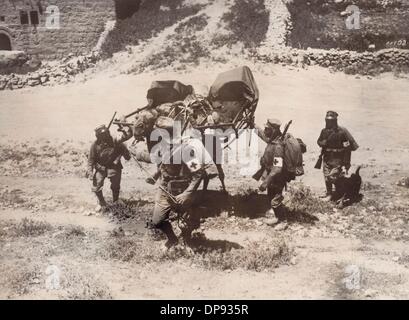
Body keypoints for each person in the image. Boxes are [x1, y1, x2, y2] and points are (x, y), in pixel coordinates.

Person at [149, 117, 213, 249]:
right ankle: (172, 240)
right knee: (157, 221)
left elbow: (198, 173)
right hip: (165, 189)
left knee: (187, 221)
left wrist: (187, 194)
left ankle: (187, 241)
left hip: (182, 189)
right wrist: (155, 176)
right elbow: (163, 165)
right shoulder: (163, 147)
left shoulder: (185, 150)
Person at [254, 119, 301, 225]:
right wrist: (253, 125)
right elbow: (262, 135)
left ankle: (283, 221)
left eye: (267, 129)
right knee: (271, 197)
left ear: (273, 130)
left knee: (275, 200)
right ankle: (277, 218)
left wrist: (265, 183)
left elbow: (277, 168)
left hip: (277, 177)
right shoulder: (273, 140)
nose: (265, 131)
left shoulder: (278, 146)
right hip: (272, 175)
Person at [86, 124, 132, 212]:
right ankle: (102, 203)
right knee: (97, 185)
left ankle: (116, 200)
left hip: (113, 166)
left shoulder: (114, 140)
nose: (105, 137)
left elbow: (124, 141)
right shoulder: (94, 145)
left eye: (106, 134)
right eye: (102, 136)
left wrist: (124, 130)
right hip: (101, 167)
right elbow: (91, 160)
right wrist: (90, 172)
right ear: (98, 136)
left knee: (115, 184)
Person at [317, 111, 359, 201]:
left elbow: (347, 148)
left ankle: (339, 192)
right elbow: (319, 141)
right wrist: (322, 143)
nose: (328, 122)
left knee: (333, 177)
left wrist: (346, 162)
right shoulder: (324, 131)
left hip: (337, 159)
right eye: (327, 120)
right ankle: (329, 193)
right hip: (327, 158)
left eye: (331, 121)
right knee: (326, 176)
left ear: (335, 121)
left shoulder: (341, 133)